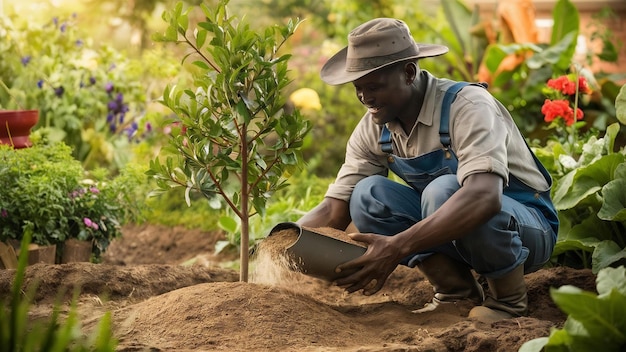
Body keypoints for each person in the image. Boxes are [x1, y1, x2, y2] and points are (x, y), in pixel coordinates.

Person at [296, 18, 558, 323]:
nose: (365, 98)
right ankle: (456, 294)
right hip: (457, 231)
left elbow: (484, 197)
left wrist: (397, 247)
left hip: (526, 228)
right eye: (359, 88)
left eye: (374, 86)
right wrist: (278, 244)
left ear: (408, 73)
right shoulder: (375, 126)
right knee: (368, 195)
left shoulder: (468, 106)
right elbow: (335, 208)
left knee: (443, 190)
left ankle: (508, 303)